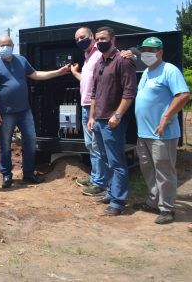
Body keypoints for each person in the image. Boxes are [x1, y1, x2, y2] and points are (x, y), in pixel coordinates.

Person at [0, 35, 71, 188]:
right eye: (2, 45)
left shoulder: (21, 60)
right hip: (4, 113)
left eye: (8, 44)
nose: (6, 47)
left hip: (24, 111)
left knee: (30, 141)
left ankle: (29, 173)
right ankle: (6, 175)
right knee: (5, 145)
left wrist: (58, 72)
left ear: (13, 45)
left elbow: (36, 74)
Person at [71, 27, 135, 196]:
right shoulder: (92, 58)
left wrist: (132, 53)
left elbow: (128, 88)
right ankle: (101, 182)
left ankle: (105, 187)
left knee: (107, 154)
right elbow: (91, 85)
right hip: (91, 109)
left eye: (83, 37)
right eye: (77, 39)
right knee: (94, 147)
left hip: (107, 113)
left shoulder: (108, 56)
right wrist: (75, 73)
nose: (80, 41)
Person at [134, 36, 189, 224]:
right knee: (148, 169)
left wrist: (166, 117)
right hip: (144, 134)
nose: (147, 53)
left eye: (151, 50)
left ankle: (167, 208)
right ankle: (153, 201)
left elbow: (183, 95)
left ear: (160, 52)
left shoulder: (169, 70)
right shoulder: (146, 72)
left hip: (162, 133)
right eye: (144, 50)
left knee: (164, 171)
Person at [87, 26, 137, 216]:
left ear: (113, 39)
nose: (100, 42)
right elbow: (94, 93)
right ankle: (110, 192)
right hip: (98, 120)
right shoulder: (101, 62)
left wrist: (118, 115)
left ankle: (118, 201)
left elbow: (129, 92)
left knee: (116, 162)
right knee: (106, 160)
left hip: (112, 121)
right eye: (97, 39)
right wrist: (91, 116)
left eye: (103, 39)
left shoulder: (123, 61)